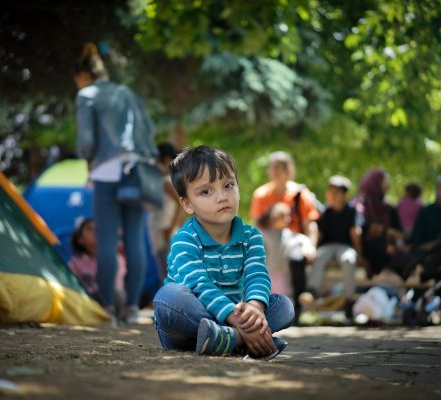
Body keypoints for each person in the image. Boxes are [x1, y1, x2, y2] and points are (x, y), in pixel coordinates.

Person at [153, 146, 295, 360]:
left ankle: (231, 339)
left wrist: (255, 307)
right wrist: (232, 315)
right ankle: (247, 339)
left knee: (284, 306)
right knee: (168, 297)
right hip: (187, 326)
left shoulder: (251, 236)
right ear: (187, 203)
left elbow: (257, 275)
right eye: (206, 191)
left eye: (228, 185)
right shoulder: (185, 239)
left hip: (237, 319)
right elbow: (198, 283)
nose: (222, 197)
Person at [74, 42, 159, 323]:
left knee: (107, 241)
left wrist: (87, 158)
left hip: (106, 171)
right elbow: (148, 128)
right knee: (135, 240)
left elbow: (87, 141)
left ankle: (108, 307)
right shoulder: (127, 93)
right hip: (136, 169)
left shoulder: (86, 95)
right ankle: (133, 308)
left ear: (83, 77)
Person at [249, 151, 319, 319]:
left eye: (278, 168)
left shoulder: (300, 194)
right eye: (271, 168)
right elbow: (256, 225)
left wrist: (311, 246)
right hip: (269, 240)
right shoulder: (262, 194)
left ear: (288, 170)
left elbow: (310, 224)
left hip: (293, 240)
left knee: (297, 259)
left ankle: (298, 309)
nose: (273, 171)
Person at [308, 176, 363, 301]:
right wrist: (313, 249)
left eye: (336, 192)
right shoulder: (327, 211)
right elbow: (320, 233)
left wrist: (360, 254)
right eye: (330, 192)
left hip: (345, 246)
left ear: (345, 194)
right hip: (328, 246)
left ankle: (349, 296)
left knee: (348, 259)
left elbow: (355, 232)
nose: (332, 195)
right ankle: (312, 291)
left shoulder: (351, 210)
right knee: (319, 257)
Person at [67, 217, 127, 314]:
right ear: (80, 239)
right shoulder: (75, 263)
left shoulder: (116, 259)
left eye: (99, 229)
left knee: (117, 295)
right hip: (87, 300)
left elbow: (118, 285)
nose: (95, 232)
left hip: (112, 299)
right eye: (89, 229)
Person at [352, 168, 403, 277]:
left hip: (389, 246)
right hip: (365, 248)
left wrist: (396, 240)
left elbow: (398, 231)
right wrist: (386, 232)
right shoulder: (360, 204)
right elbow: (362, 229)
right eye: (384, 182)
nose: (388, 186)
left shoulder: (388, 208)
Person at [149, 142, 185, 282]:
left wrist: (170, 229)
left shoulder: (166, 181)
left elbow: (182, 205)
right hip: (164, 231)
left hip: (166, 231)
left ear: (164, 159)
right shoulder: (170, 180)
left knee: (168, 273)